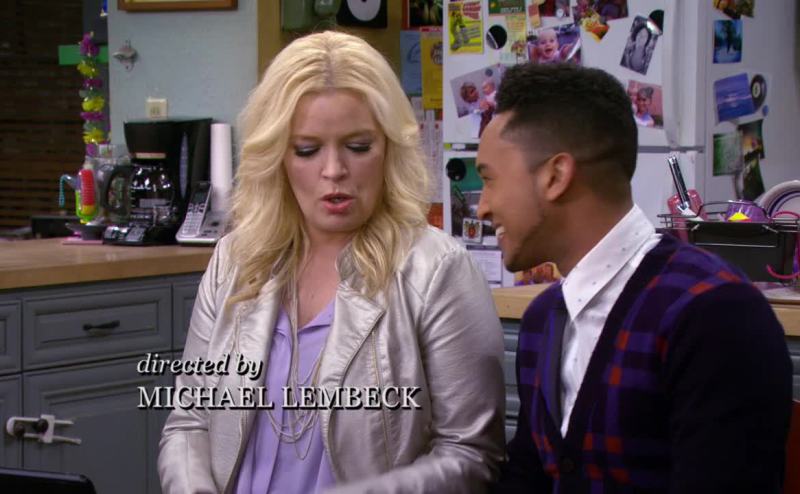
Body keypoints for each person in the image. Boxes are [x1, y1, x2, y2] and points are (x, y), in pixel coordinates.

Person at [158, 31, 505, 494]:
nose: (334, 170)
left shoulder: (437, 271)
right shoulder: (234, 260)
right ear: (277, 156)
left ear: (390, 148)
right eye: (307, 150)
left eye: (358, 147)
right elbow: (189, 421)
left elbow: (470, 455)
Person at [475, 63, 792, 492]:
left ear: (555, 176)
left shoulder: (715, 315)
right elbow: (528, 480)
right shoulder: (542, 320)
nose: (482, 207)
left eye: (489, 180)